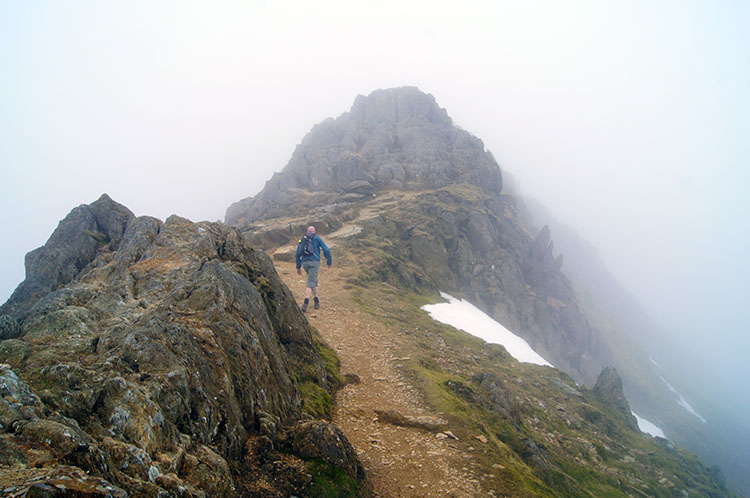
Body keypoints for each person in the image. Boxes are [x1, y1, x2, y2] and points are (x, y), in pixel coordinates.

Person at [295, 225, 332, 312]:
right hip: (314, 263)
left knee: (313, 280)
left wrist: (298, 266)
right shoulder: (317, 239)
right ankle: (305, 303)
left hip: (305, 263)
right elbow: (326, 250)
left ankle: (316, 300)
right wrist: (329, 261)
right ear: (314, 231)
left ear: (307, 231)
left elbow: (297, 253)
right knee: (311, 282)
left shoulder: (302, 239)